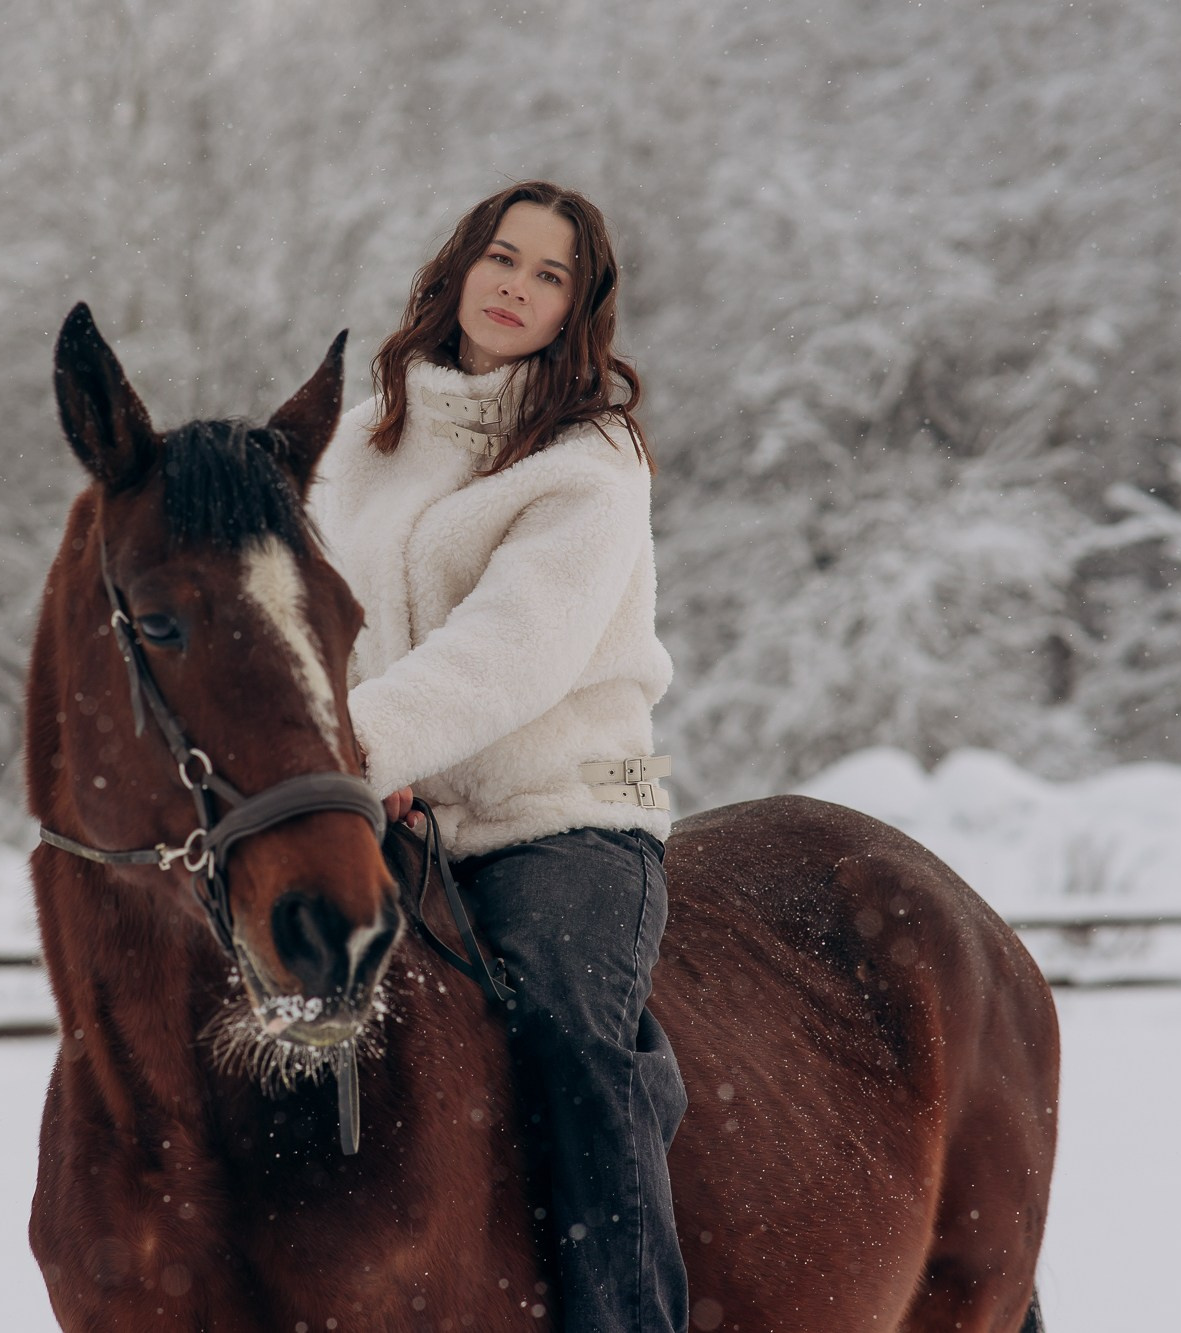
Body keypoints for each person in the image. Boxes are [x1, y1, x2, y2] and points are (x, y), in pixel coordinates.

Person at [308, 181, 688, 1333]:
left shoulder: (590, 461)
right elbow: (316, 618)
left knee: (566, 1027)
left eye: (548, 274)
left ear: (580, 306)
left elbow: (509, 652)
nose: (515, 287)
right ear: (459, 265)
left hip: (554, 813)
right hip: (377, 799)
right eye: (501, 258)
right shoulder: (360, 440)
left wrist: (353, 747)